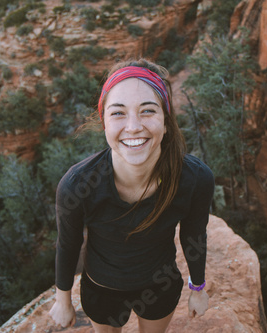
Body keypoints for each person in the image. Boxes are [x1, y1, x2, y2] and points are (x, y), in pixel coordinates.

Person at [49, 58, 215, 332]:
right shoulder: (78, 186)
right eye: (118, 113)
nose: (134, 126)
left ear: (165, 120)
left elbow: (194, 234)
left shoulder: (194, 179)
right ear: (104, 122)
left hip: (160, 285)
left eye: (148, 111)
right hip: (102, 290)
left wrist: (198, 288)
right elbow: (68, 243)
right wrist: (62, 300)